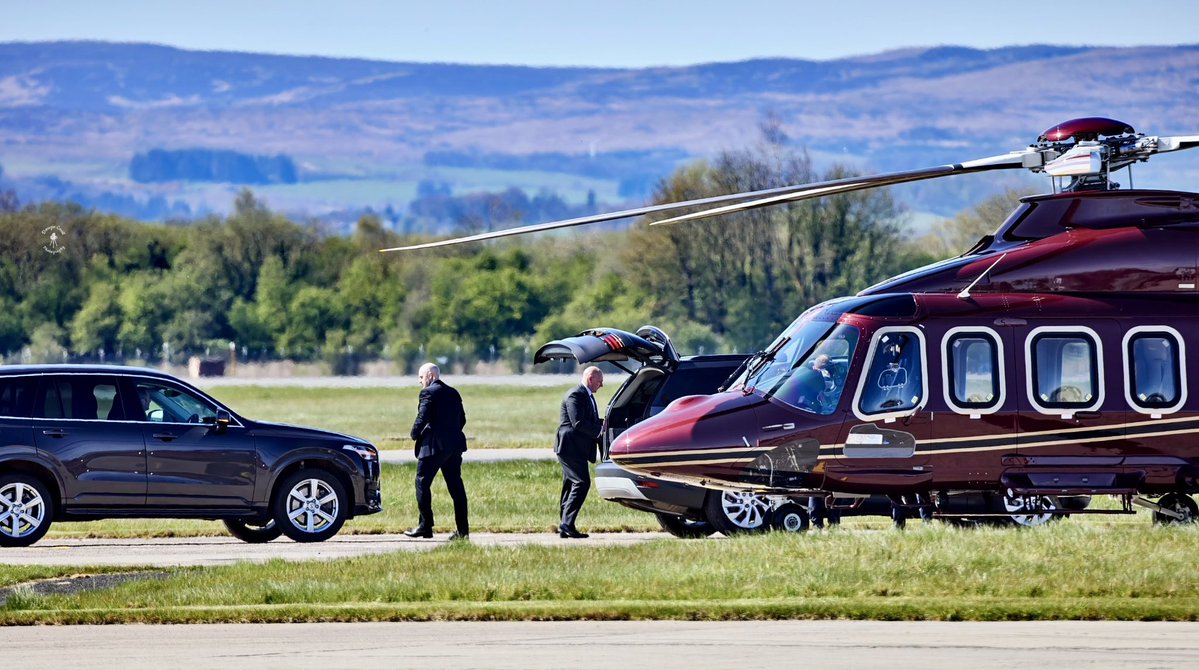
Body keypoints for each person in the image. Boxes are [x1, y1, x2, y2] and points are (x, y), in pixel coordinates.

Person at [404, 363, 470, 541]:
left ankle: (425, 526)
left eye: (421, 377)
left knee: (422, 483)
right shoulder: (453, 392)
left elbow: (422, 416)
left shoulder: (428, 393)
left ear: (430, 376)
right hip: (454, 446)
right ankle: (463, 531)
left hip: (433, 446)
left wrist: (414, 433)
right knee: (456, 488)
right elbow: (462, 419)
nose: (419, 381)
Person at [555, 365, 604, 539]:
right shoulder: (575, 395)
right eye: (600, 381)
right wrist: (600, 431)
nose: (602, 385)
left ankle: (565, 525)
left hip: (576, 448)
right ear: (591, 379)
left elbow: (589, 419)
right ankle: (567, 524)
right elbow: (578, 423)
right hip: (570, 448)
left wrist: (605, 423)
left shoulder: (586, 396)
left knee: (570, 485)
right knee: (581, 483)